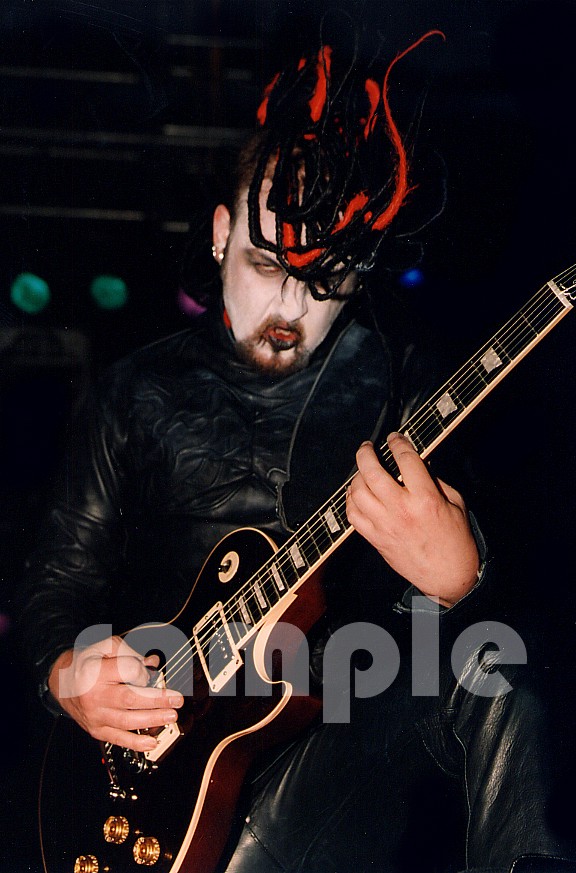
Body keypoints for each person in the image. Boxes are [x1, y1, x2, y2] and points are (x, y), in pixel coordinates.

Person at [19, 30, 576, 873]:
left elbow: (478, 610)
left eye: (325, 281)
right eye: (263, 263)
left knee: (507, 660)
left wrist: (463, 579)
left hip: (333, 756)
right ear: (219, 236)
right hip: (155, 778)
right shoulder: (134, 393)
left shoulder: (403, 383)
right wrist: (69, 674)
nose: (290, 307)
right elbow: (54, 584)